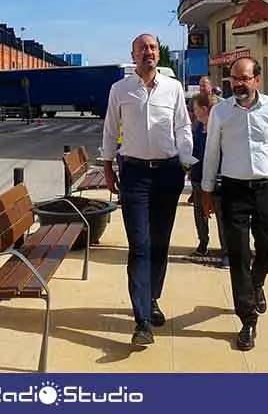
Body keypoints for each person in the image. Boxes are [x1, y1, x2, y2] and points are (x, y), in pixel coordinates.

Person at [201, 57, 268, 351]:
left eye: (244, 78)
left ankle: (256, 283)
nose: (238, 84)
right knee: (238, 255)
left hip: (267, 189)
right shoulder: (220, 112)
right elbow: (211, 154)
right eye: (234, 78)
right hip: (232, 191)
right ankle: (247, 320)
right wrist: (207, 191)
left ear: (257, 79)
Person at [102, 33, 194, 346]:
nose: (148, 53)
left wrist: (185, 159)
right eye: (142, 48)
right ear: (133, 55)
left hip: (168, 173)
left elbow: (183, 126)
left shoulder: (174, 88)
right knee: (139, 245)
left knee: (159, 243)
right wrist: (107, 165)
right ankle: (141, 320)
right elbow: (110, 129)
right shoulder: (121, 89)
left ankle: (152, 298)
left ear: (158, 54)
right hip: (135, 175)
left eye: (153, 48)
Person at [189, 93, 228, 267]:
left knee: (221, 215)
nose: (194, 113)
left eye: (196, 109)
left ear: (205, 109)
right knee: (200, 214)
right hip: (198, 177)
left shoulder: (219, 127)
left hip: (218, 178)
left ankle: (226, 250)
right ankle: (203, 242)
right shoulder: (197, 127)